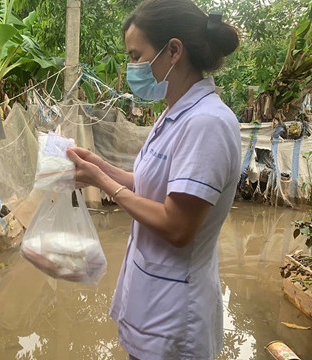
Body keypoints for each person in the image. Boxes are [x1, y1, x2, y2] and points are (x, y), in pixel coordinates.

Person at [66, 0, 241, 358]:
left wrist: (104, 182)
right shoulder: (175, 113)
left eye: (135, 55)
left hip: (176, 315)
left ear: (173, 50)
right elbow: (154, 186)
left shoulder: (207, 124)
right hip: (152, 301)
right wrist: (101, 167)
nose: (131, 67)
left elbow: (177, 226)